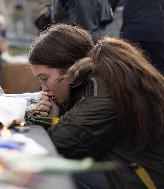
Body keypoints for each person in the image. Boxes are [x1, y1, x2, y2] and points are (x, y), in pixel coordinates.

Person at [29, 24, 164, 189]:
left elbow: (60, 143)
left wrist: (52, 120)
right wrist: (57, 116)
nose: (43, 88)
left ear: (71, 69)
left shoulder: (105, 86)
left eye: (44, 78)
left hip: (142, 177)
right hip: (130, 167)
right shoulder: (96, 77)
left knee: (47, 172)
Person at [109, 0, 164, 74]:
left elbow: (110, 4)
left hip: (132, 30)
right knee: (160, 74)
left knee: (131, 72)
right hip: (156, 30)